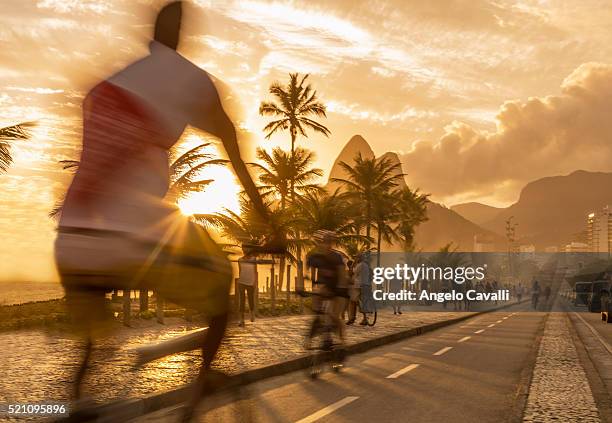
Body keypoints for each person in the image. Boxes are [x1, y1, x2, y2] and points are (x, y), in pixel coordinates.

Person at [53, 2, 275, 419]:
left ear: (150, 35)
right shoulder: (191, 79)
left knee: (90, 348)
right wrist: (268, 220)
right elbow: (235, 154)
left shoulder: (109, 82)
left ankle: (79, 405)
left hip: (72, 240)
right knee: (219, 287)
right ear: (182, 35)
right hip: (130, 233)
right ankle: (199, 387)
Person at [304, 230, 348, 349]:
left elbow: (342, 275)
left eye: (329, 242)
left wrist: (340, 289)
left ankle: (342, 340)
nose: (326, 245)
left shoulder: (337, 257)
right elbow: (305, 271)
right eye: (323, 242)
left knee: (334, 315)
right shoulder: (314, 257)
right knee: (317, 313)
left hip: (337, 288)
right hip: (323, 287)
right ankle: (309, 339)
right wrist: (301, 286)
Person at [237, 249, 257, 327]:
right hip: (241, 282)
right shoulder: (240, 260)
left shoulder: (253, 259)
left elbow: (255, 271)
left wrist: (255, 282)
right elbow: (240, 271)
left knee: (250, 299)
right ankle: (241, 320)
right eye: (244, 249)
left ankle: (252, 314)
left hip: (250, 282)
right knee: (241, 300)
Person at [354, 252, 374, 325]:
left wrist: (353, 264)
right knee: (364, 301)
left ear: (359, 258)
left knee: (359, 301)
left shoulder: (359, 265)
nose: (355, 259)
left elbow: (353, 273)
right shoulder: (366, 265)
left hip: (359, 285)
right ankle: (365, 318)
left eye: (356, 257)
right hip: (366, 285)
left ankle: (364, 318)